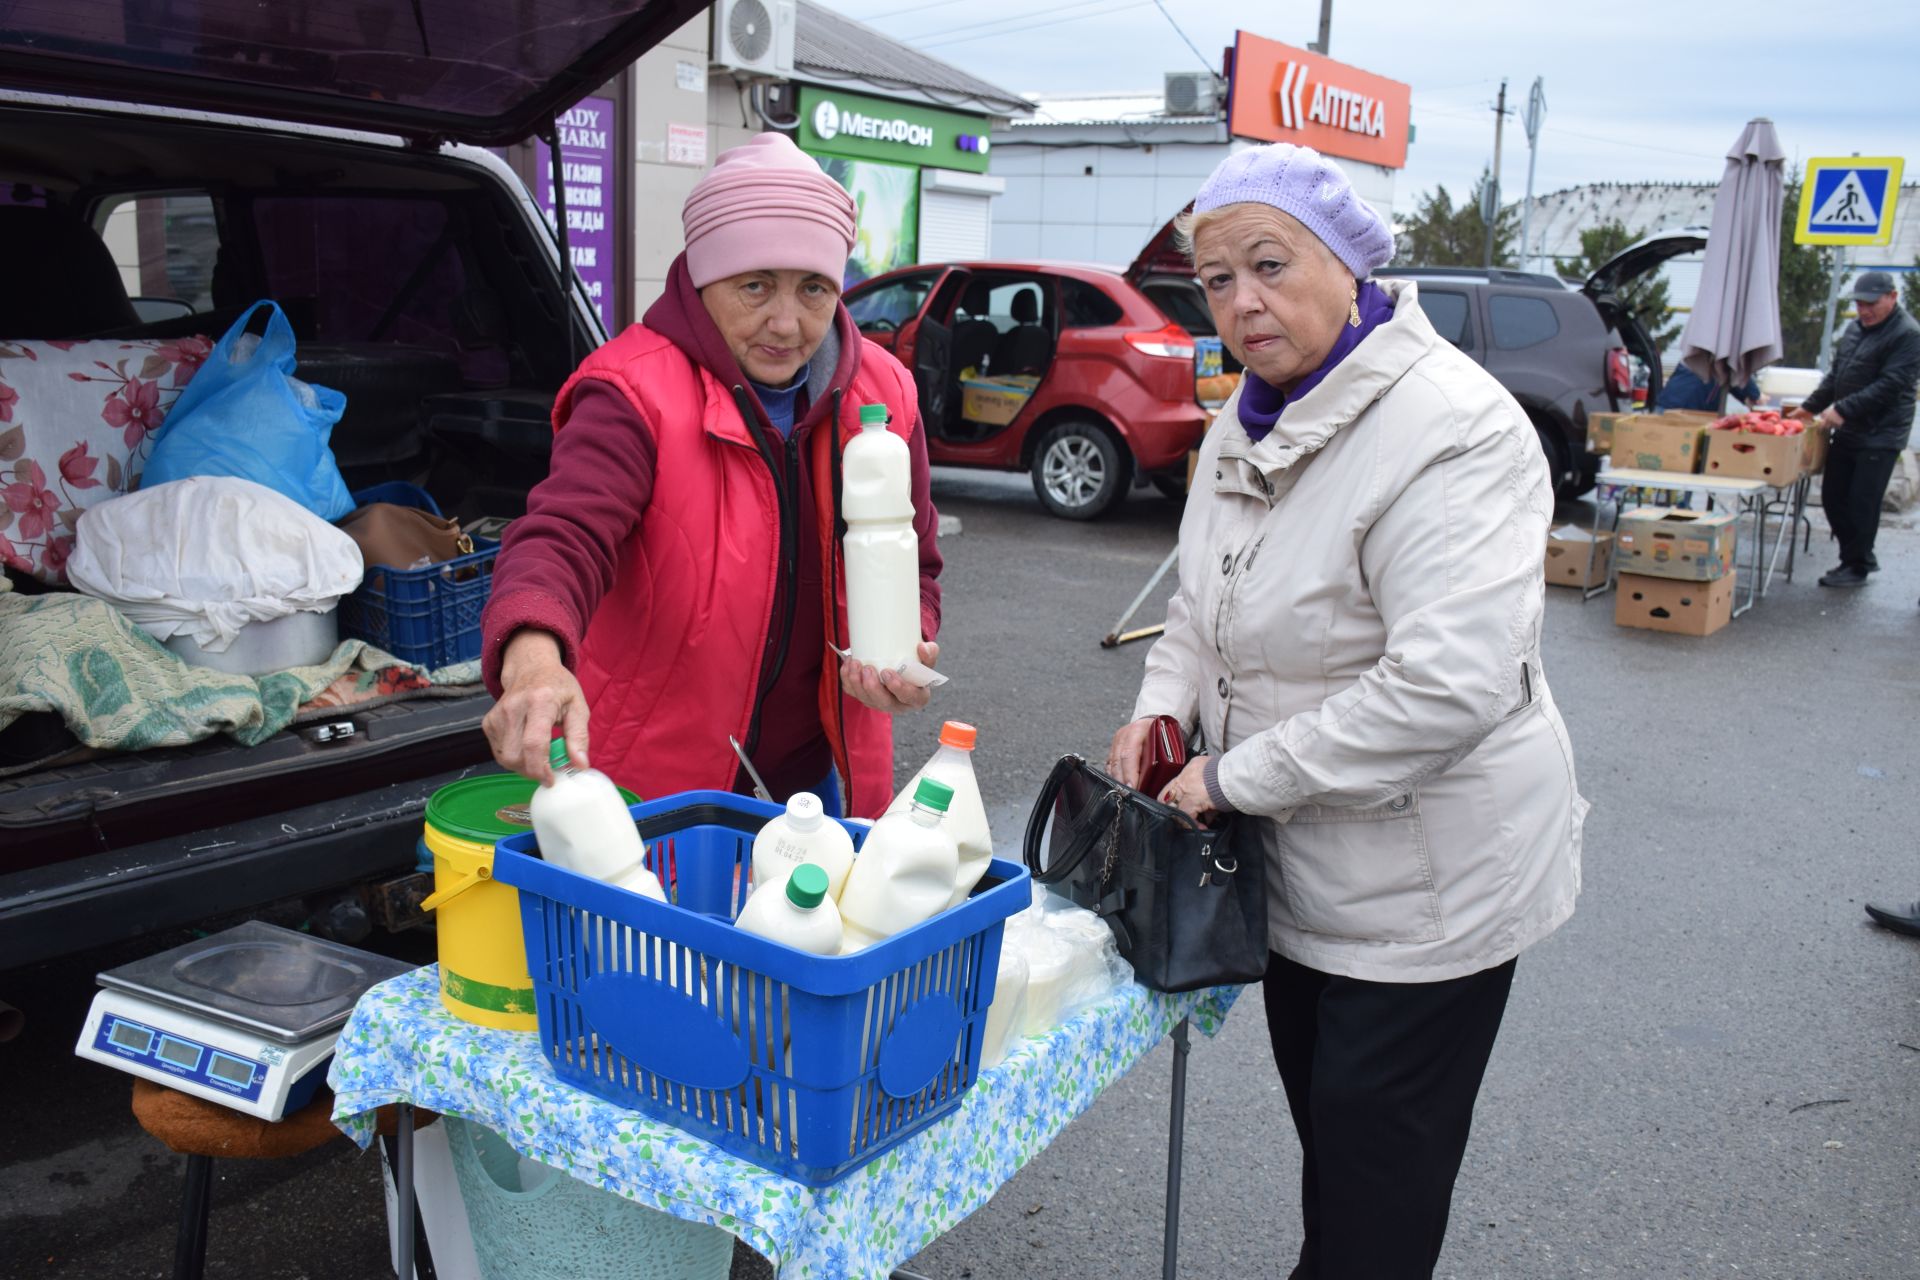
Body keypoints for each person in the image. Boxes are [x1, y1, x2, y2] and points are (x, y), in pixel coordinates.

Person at [1106, 142, 1584, 1280]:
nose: (1242, 302)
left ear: (1352, 263)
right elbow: (1198, 599)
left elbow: (1447, 686)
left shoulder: (1454, 429)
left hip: (1430, 887)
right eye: (1217, 281)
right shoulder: (1249, 417)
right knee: (1341, 1151)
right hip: (1304, 868)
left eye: (1269, 265)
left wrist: (1230, 777)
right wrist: (1160, 704)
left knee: (1376, 1198)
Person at [479, 132, 943, 816]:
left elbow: (919, 560)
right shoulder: (632, 392)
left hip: (814, 778)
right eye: (755, 286)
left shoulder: (886, 395)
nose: (786, 323)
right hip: (654, 784)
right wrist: (534, 662)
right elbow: (562, 537)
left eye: (813, 289)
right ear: (702, 277)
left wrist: (910, 643)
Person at [1789, 270, 1920, 589]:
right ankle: (1859, 554)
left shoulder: (1908, 334)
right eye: (1860, 303)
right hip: (1848, 429)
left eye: (1871, 303)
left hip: (1882, 433)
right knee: (1833, 497)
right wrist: (1808, 408)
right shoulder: (1854, 330)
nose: (1864, 310)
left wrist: (1842, 409)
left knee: (1862, 501)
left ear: (1892, 297)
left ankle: (1856, 565)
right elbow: (1836, 377)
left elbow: (1891, 385)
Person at [1656, 361, 1759, 413]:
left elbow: (1729, 376)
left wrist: (1745, 397)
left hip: (1670, 405)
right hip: (1682, 412)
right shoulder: (1720, 348)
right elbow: (1735, 368)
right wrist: (1755, 395)